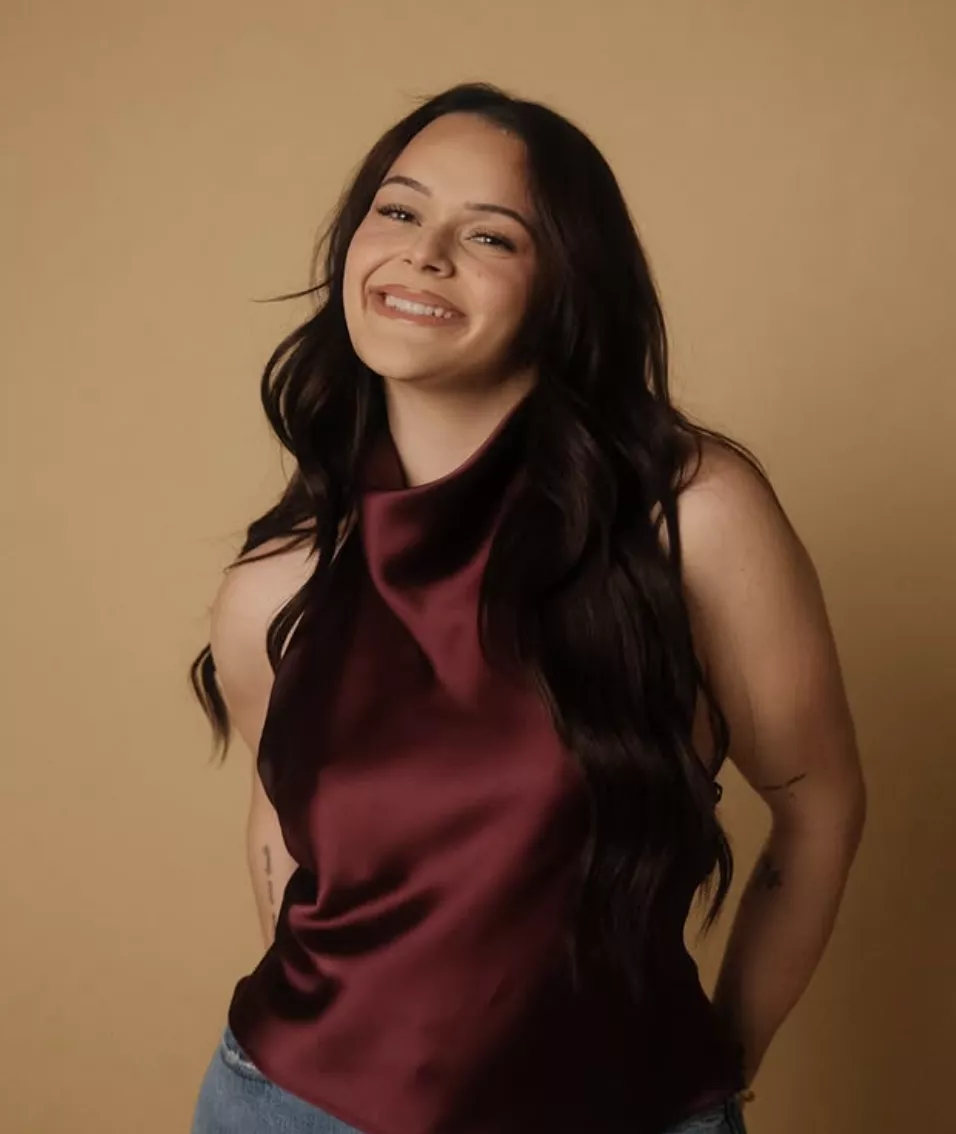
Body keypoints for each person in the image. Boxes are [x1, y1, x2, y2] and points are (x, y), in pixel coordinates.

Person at [187, 82, 866, 1134]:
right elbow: (286, 831)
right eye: (398, 210)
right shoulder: (278, 582)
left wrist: (713, 1071)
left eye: (490, 235)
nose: (423, 254)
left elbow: (819, 806)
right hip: (291, 1109)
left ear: (564, 285)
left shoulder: (689, 517)